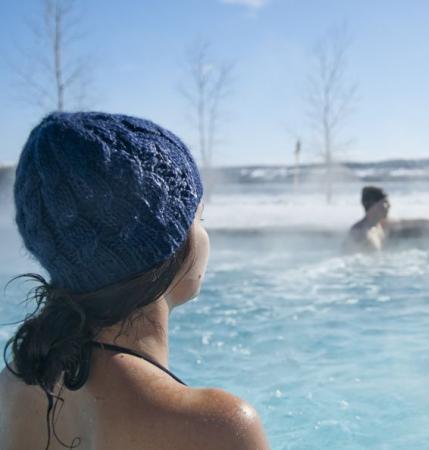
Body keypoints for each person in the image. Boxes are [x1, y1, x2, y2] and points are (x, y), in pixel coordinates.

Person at [0, 112, 269, 450]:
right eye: (200, 218)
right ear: (167, 244)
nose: (205, 234)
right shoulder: (217, 426)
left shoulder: (14, 383)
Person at [344, 186, 391, 252]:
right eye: (385, 202)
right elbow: (347, 255)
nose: (389, 206)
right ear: (372, 205)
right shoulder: (359, 232)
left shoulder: (378, 226)